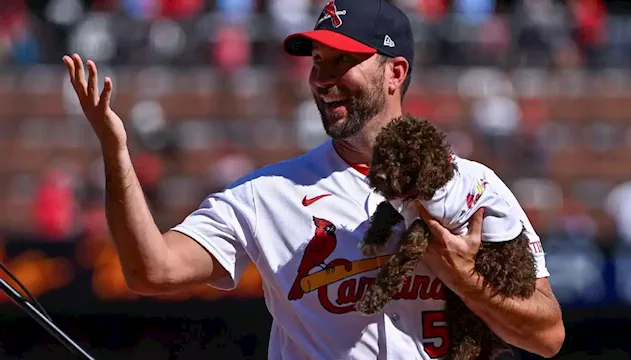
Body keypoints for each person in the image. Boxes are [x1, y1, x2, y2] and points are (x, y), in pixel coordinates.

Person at [62, 0, 565, 358]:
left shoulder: (472, 188)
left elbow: (548, 336)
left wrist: (465, 280)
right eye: (318, 61)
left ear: (394, 73)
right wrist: (116, 152)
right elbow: (151, 270)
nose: (323, 77)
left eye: (344, 60)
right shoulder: (267, 195)